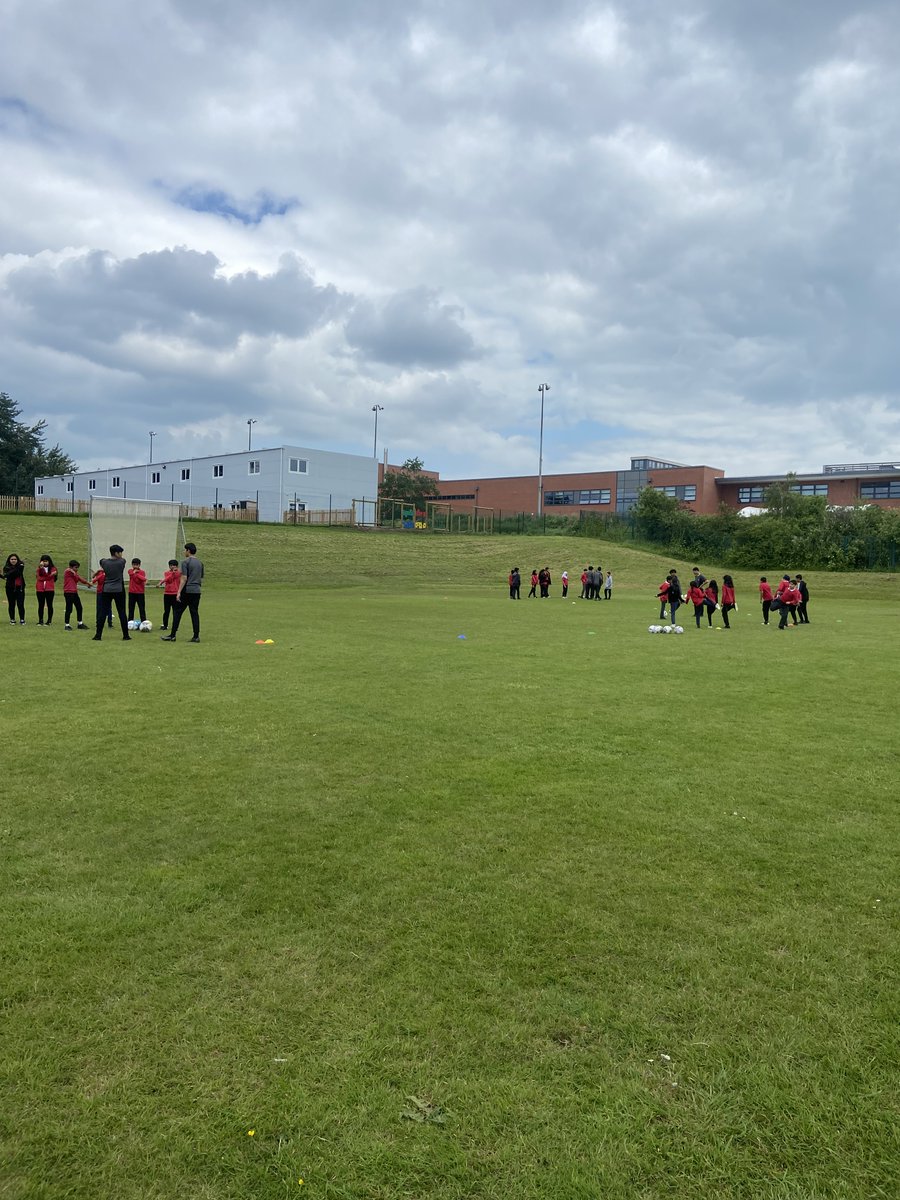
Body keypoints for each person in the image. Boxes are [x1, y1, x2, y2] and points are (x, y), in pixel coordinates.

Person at [161, 542, 203, 643]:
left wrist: (179, 592)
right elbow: (201, 577)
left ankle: (172, 635)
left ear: (188, 550)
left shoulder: (185, 562)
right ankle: (196, 636)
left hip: (187, 590)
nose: (184, 552)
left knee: (177, 612)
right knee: (194, 613)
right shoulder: (200, 563)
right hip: (197, 590)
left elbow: (184, 578)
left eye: (185, 550)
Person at [93, 544, 130, 641]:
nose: (121, 554)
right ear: (116, 553)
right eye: (120, 552)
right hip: (119, 589)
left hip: (106, 589)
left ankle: (98, 635)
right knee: (121, 612)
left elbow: (102, 560)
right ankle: (125, 635)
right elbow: (121, 560)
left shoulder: (104, 562)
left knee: (103, 612)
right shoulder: (122, 562)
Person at [63, 560, 90, 630]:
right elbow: (77, 576)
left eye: (77, 567)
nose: (77, 569)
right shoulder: (68, 571)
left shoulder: (74, 573)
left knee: (79, 607)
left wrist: (87, 583)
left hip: (74, 592)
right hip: (68, 592)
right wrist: (87, 583)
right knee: (69, 608)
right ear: (71, 567)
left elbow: (78, 578)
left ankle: (80, 623)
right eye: (76, 567)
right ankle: (67, 625)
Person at [158, 559, 181, 628]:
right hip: (167, 593)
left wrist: (161, 582)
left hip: (175, 594)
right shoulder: (167, 573)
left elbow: (176, 577)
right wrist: (173, 573)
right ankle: (165, 625)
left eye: (174, 565)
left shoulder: (179, 573)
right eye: (171, 565)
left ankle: (175, 625)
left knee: (175, 611)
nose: (172, 567)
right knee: (166, 611)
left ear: (177, 566)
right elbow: (169, 579)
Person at [35, 555, 58, 626]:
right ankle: (40, 620)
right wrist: (48, 574)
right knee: (40, 605)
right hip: (40, 589)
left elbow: (49, 577)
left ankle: (49, 620)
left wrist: (46, 576)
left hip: (49, 589)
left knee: (49, 605)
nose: (44, 563)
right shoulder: (38, 569)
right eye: (43, 561)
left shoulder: (53, 568)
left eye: (46, 561)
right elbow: (40, 578)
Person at [4, 553, 26, 625]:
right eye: (12, 559)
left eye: (15, 559)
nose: (13, 560)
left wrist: (10, 573)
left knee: (20, 604)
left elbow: (18, 573)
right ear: (9, 560)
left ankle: (22, 619)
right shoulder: (7, 567)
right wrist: (18, 567)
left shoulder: (20, 567)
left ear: (17, 560)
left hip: (20, 588)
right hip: (10, 588)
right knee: (11, 604)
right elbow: (8, 575)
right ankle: (12, 619)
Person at [128, 558, 147, 624]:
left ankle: (144, 622)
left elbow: (144, 579)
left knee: (141, 608)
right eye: (134, 565)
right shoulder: (130, 570)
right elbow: (130, 574)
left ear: (139, 565)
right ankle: (130, 622)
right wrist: (134, 573)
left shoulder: (142, 572)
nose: (135, 566)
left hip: (140, 592)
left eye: (136, 565)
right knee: (131, 608)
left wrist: (137, 574)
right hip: (132, 592)